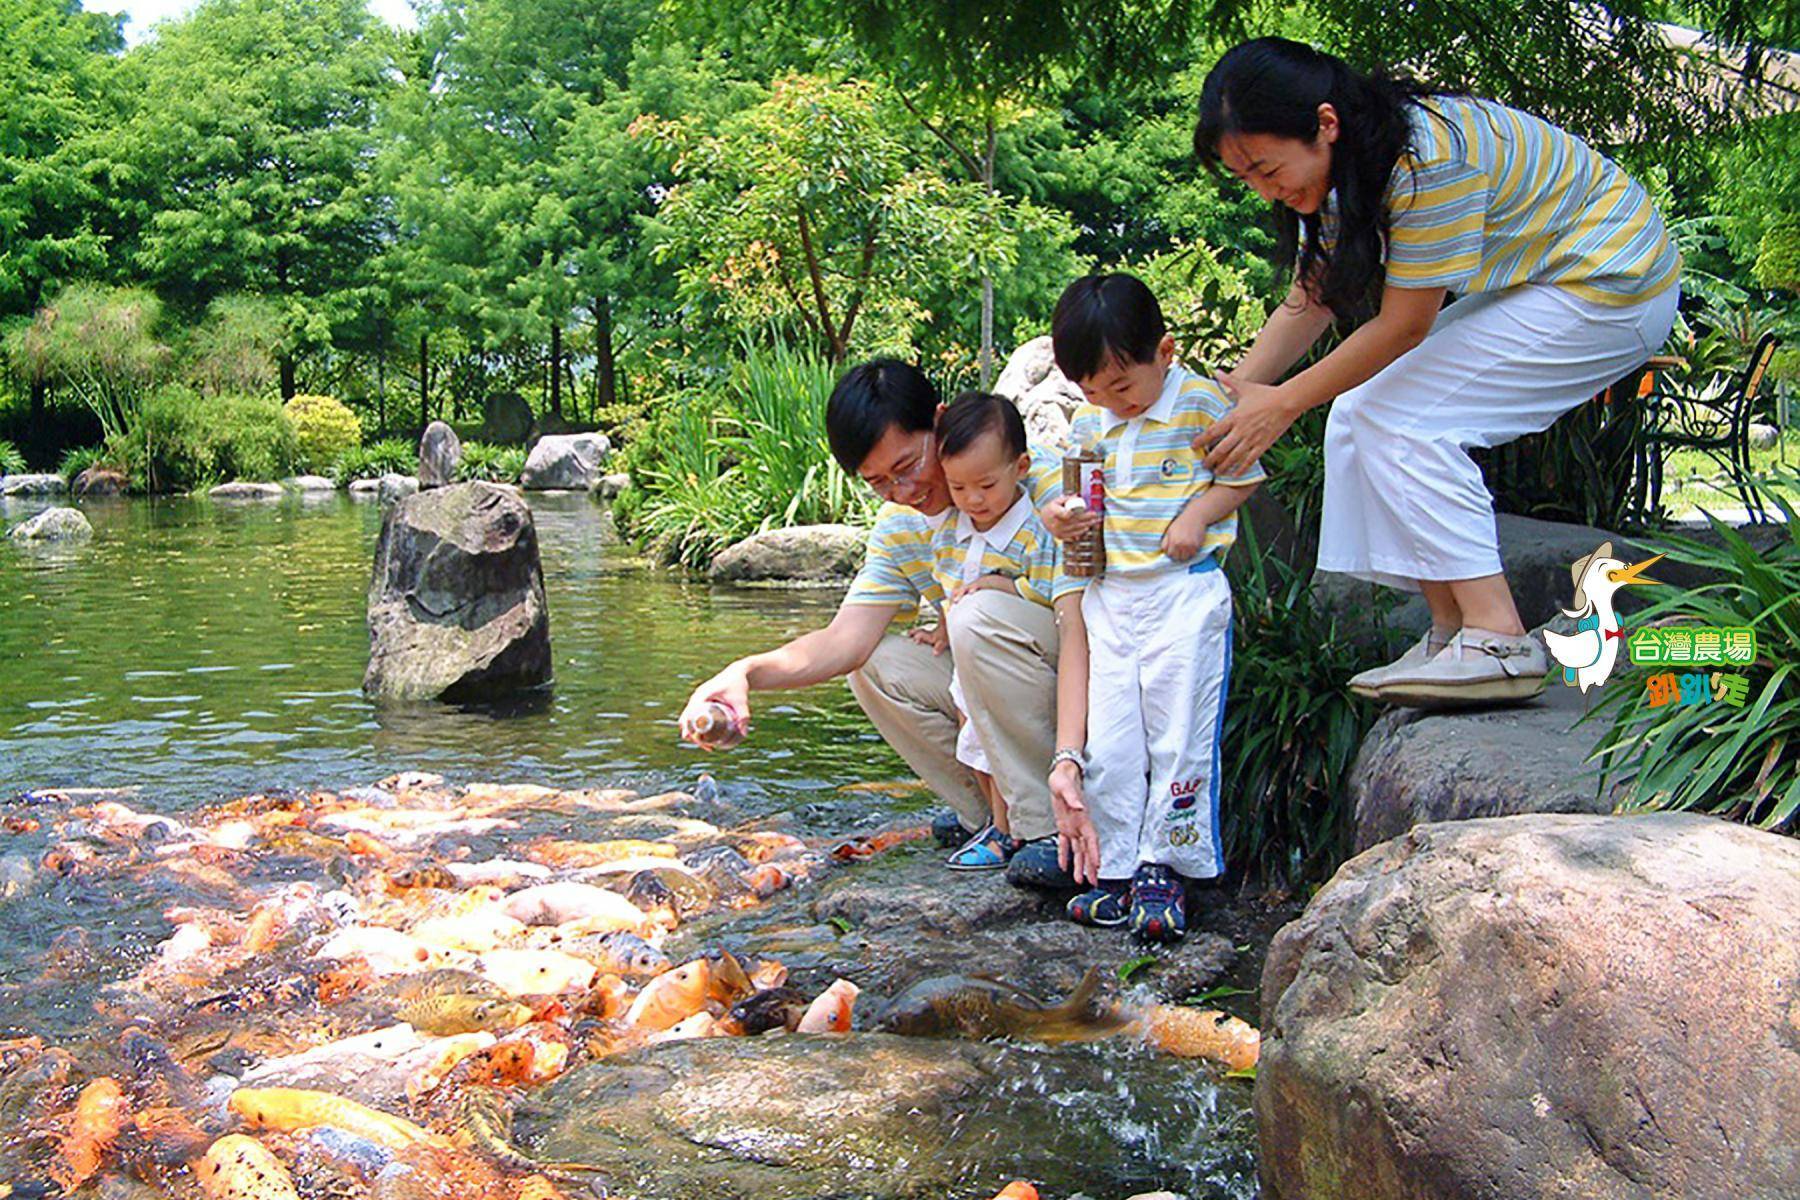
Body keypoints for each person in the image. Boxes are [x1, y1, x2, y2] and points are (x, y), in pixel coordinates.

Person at [1187, 37, 1679, 707]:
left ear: (1325, 123)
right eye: (1245, 177)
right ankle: (1454, 633)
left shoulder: (1426, 161)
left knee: (1404, 417)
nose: (1263, 189)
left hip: (1616, 283)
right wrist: (1229, 398)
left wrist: (1280, 405)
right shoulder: (1348, 167)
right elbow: (1316, 294)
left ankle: (1498, 637)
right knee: (1361, 414)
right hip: (1554, 279)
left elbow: (1403, 326)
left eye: (1266, 169)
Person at [678, 359, 1078, 889]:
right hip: (998, 683)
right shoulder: (900, 528)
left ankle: (1047, 829)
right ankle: (988, 818)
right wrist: (745, 672)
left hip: (1076, 675)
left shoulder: (1031, 478)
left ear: (938, 422)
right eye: (878, 482)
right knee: (874, 664)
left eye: (909, 465)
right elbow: (844, 640)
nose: (904, 490)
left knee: (976, 615)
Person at [1044, 274, 1264, 943]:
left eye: (1122, 386)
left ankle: (1165, 866)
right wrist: (1057, 516)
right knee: (1111, 739)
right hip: (1112, 597)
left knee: (1178, 732)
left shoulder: (1199, 403)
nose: (1110, 402)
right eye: (1092, 390)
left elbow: (1244, 477)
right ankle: (1114, 870)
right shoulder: (1090, 422)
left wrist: (1198, 512)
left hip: (1181, 593)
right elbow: (1071, 498)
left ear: (1164, 352)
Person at [919, 392, 1086, 871]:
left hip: (1027, 652)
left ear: (1021, 467)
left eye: (986, 485)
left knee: (986, 731)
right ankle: (995, 822)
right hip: (973, 653)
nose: (973, 500)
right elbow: (951, 588)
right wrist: (941, 629)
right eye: (958, 487)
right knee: (974, 735)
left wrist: (1006, 586)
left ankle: (1013, 829)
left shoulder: (1037, 528)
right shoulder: (953, 531)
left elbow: (1054, 594)